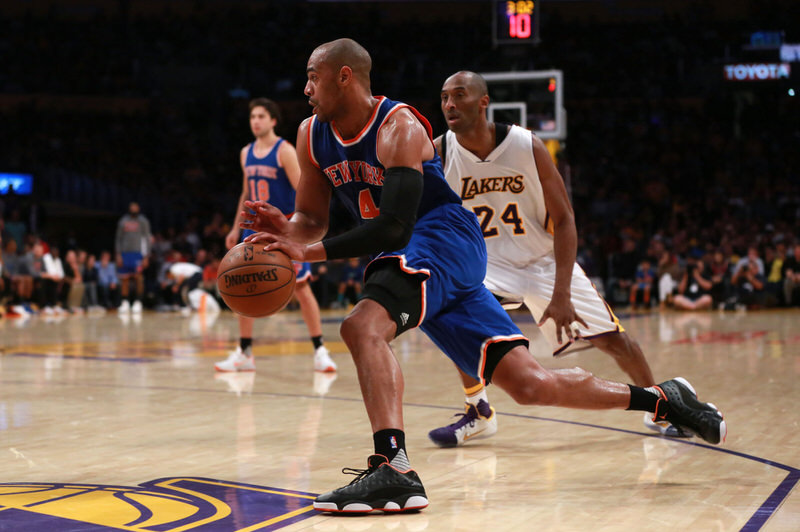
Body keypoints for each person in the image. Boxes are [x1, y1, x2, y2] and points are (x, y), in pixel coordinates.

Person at [241, 39, 726, 514]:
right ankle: (663, 399)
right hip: (416, 254)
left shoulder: (399, 126)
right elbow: (311, 217)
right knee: (529, 385)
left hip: (441, 237)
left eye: (312, 76)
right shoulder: (310, 135)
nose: (305, 88)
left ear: (343, 76)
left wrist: (306, 251)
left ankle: (394, 467)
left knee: (361, 326)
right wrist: (284, 229)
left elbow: (394, 225)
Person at [428, 70, 684, 447]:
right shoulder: (439, 151)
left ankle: (662, 406)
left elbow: (564, 220)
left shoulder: (525, 144)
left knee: (615, 341)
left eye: (460, 95)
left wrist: (561, 293)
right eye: (445, 97)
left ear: (484, 101)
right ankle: (479, 410)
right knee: (456, 319)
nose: (450, 104)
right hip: (488, 267)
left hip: (544, 261)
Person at [214, 97, 336, 373]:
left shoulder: (285, 151)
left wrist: (298, 229)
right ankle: (244, 353)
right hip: (253, 229)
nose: (255, 121)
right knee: (239, 282)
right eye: (252, 117)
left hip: (284, 228)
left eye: (260, 116)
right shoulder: (246, 152)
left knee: (302, 287)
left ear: (272, 120)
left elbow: (302, 190)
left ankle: (320, 350)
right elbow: (245, 193)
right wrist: (235, 228)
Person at [115, 201, 152, 314]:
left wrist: (146, 256)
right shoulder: (123, 221)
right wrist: (118, 254)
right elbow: (118, 239)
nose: (134, 208)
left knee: (138, 278)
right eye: (132, 207)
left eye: (136, 207)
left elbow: (147, 238)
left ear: (139, 208)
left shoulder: (143, 221)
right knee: (124, 279)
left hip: (138, 253)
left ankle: (138, 302)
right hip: (125, 253)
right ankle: (125, 302)